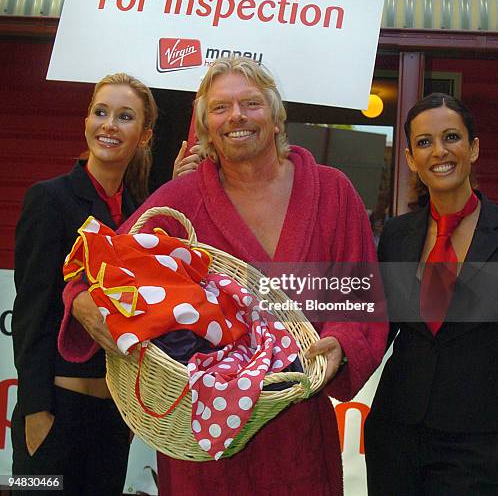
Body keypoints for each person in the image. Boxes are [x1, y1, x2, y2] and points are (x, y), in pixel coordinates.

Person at [60, 57, 387, 495]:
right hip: (202, 439)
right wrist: (82, 300)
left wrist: (342, 345)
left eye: (250, 103)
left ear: (275, 116)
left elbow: (357, 298)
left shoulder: (332, 192)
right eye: (220, 108)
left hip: (295, 432)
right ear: (206, 128)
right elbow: (101, 266)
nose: (236, 116)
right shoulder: (180, 200)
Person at [12, 72, 157, 495]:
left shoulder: (137, 215)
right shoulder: (49, 199)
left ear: (144, 136)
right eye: (101, 112)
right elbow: (31, 310)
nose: (109, 124)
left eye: (125, 116)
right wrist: (36, 409)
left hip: (113, 421)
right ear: (87, 121)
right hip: (54, 414)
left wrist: (129, 420)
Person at [364, 93, 498, 495]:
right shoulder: (397, 234)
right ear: (410, 159)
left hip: (479, 443)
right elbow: (377, 328)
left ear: (473, 148)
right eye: (424, 142)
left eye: (451, 137)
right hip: (395, 436)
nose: (439, 151)